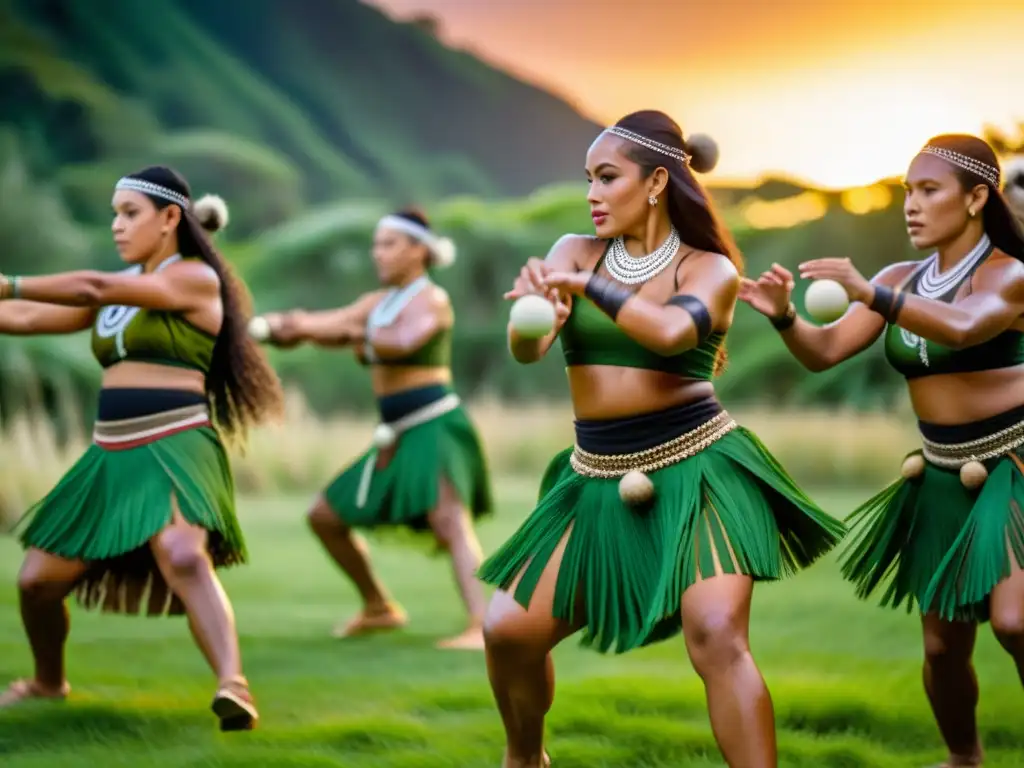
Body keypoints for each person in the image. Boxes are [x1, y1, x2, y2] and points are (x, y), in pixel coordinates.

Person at [477, 110, 847, 768]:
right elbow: (528, 348)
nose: (591, 193)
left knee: (717, 635)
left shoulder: (711, 269)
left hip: (701, 467)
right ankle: (524, 759)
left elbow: (675, 333)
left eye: (606, 177)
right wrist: (540, 315)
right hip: (595, 473)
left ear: (653, 183)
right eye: (587, 178)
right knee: (507, 631)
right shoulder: (572, 251)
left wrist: (592, 289)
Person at [739, 134, 1024, 768]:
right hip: (942, 476)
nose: (912, 206)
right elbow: (825, 354)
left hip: (1016, 467)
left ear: (977, 198)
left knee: (1016, 623)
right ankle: (965, 759)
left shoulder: (1008, 275)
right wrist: (786, 318)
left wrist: (871, 293)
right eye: (907, 193)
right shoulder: (902, 278)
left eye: (929, 191)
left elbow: (965, 326)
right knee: (944, 650)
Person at [0, 166, 284, 731]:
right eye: (114, 214)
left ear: (170, 218)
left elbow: (89, 286)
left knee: (183, 554)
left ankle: (234, 685)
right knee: (37, 583)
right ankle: (48, 682)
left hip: (177, 442)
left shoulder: (194, 279)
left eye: (129, 213)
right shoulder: (122, 295)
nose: (116, 225)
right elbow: (29, 317)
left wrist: (9, 281)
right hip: (111, 456)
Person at [255, 208, 493, 650]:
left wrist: (345, 332)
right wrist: (285, 327)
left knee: (449, 520)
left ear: (419, 250)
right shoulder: (376, 303)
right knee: (324, 515)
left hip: (435, 425)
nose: (377, 253)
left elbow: (404, 342)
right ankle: (378, 607)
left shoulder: (431, 299)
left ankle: (482, 626)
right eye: (376, 244)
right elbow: (329, 324)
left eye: (389, 244)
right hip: (396, 431)